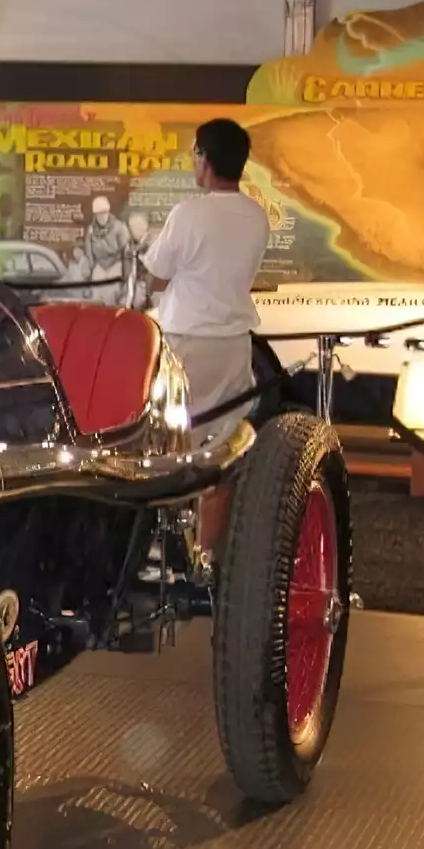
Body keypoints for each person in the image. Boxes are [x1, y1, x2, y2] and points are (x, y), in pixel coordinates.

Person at [141, 117, 271, 552]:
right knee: (223, 452)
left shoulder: (189, 213)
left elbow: (156, 275)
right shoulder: (256, 217)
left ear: (204, 158)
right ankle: (209, 552)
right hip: (234, 345)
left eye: (195, 153)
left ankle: (165, 548)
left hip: (185, 343)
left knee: (172, 446)